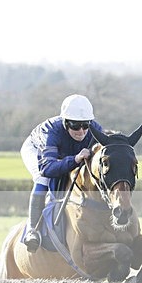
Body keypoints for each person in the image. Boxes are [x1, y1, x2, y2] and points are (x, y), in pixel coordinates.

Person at [20, 94, 104, 252]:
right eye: (75, 126)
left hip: (66, 153)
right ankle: (33, 230)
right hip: (37, 150)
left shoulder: (96, 130)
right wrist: (75, 159)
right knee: (42, 179)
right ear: (65, 122)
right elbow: (47, 168)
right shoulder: (51, 132)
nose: (81, 131)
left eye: (85, 125)